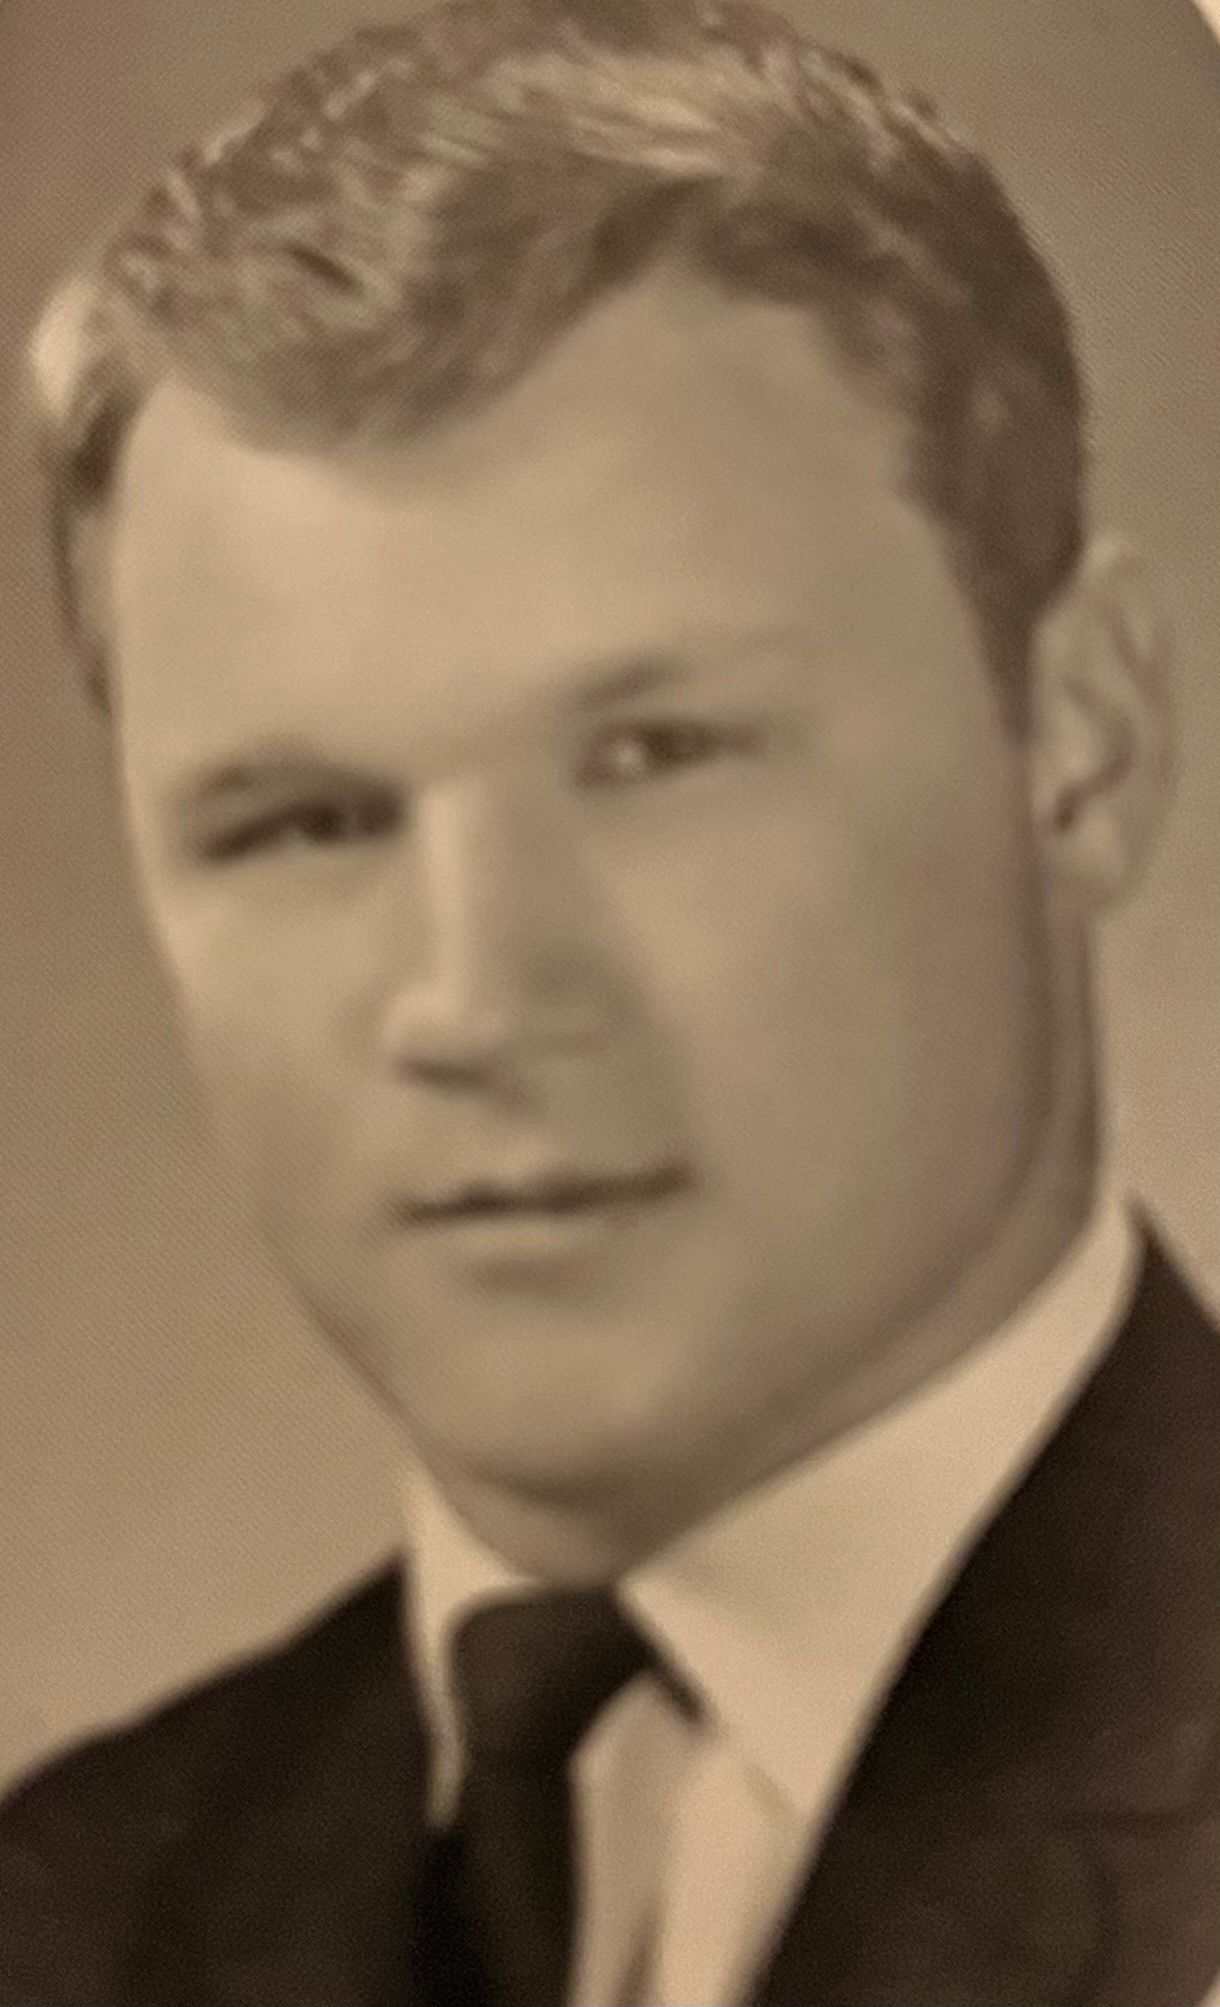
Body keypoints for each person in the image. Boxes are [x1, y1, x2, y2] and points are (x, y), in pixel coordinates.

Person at [2, 0, 1217, 2000]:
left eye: (655, 755)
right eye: (305, 819)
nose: (472, 998)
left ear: (1079, 740)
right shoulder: (61, 1913)